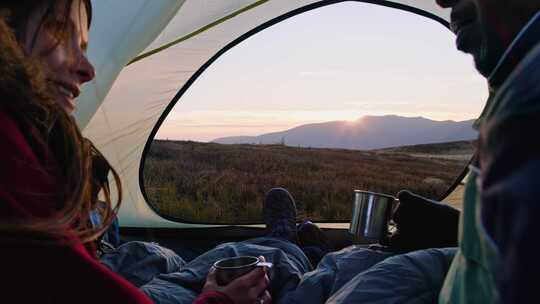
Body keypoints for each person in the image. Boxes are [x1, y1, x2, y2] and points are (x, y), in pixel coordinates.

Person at [0, 1, 273, 303]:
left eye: (84, 46)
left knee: (153, 255)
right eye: (60, 30)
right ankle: (287, 246)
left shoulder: (31, 143)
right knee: (265, 263)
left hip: (111, 261)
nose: (88, 70)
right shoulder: (8, 152)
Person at [387, 1, 540, 303]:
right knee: (358, 264)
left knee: (361, 275)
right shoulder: (516, 84)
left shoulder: (526, 110)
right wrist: (457, 227)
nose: (442, 1)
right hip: (456, 268)